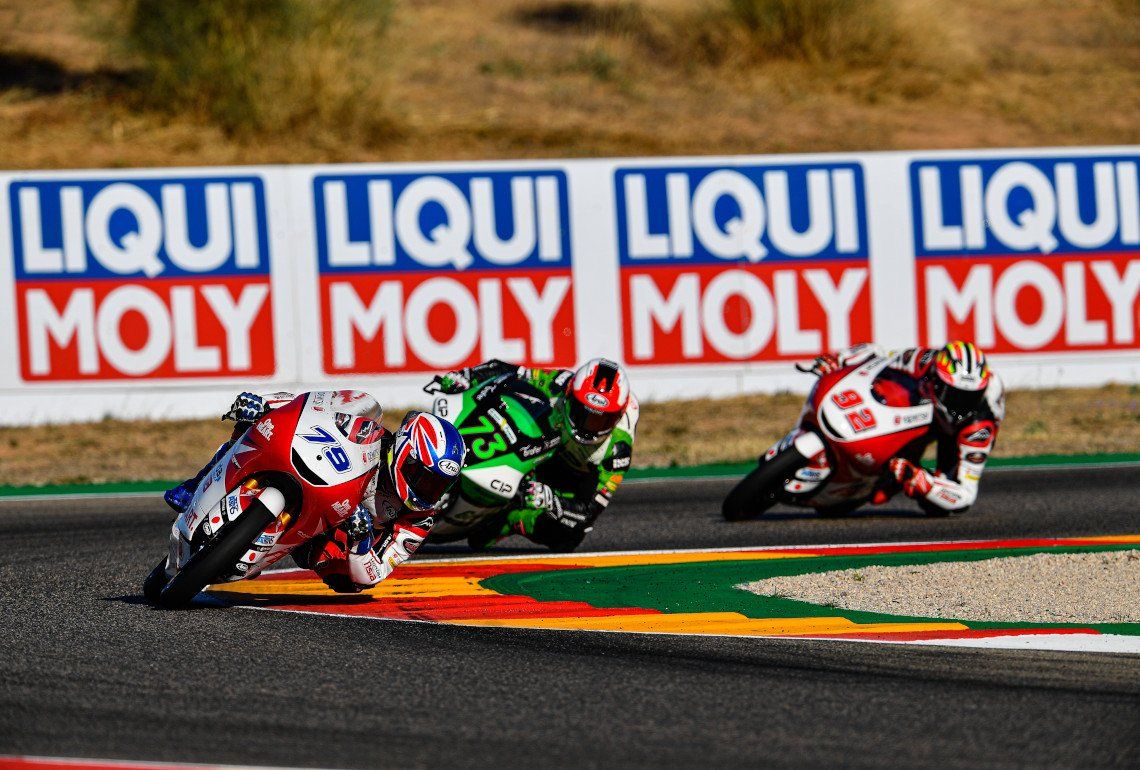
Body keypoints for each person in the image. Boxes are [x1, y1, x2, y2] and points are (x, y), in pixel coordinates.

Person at [163, 391, 465, 593]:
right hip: (316, 477)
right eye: (423, 477)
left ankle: (260, 548)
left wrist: (361, 540)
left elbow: (374, 574)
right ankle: (196, 486)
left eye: (438, 485)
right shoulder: (368, 429)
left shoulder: (419, 519)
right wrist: (266, 403)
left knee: (348, 580)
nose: (427, 489)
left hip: (332, 545)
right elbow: (314, 403)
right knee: (249, 425)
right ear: (404, 453)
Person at [425, 357, 637, 552]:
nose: (588, 427)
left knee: (568, 537)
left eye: (601, 421)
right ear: (570, 395)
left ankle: (509, 520)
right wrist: (467, 376)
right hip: (544, 446)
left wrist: (552, 501)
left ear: (618, 416)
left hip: (577, 475)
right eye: (582, 413)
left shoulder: (618, 451)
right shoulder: (559, 383)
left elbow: (588, 513)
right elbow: (511, 372)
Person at [798, 340, 1004, 515]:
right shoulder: (923, 360)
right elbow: (880, 356)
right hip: (926, 407)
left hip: (955, 433)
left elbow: (966, 495)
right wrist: (841, 360)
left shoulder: (980, 427)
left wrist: (921, 481)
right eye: (954, 395)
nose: (960, 405)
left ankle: (893, 477)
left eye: (970, 398)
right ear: (936, 379)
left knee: (937, 506)